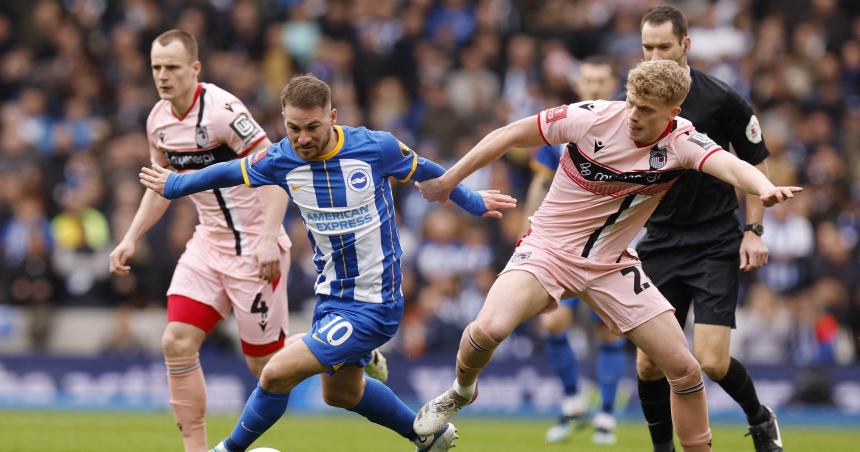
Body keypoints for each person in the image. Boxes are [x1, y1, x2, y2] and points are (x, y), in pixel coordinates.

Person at [411, 59, 801, 452]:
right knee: (488, 330)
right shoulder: (592, 116)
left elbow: (732, 165)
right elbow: (511, 133)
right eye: (631, 102)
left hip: (612, 264)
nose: (633, 114)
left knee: (684, 369)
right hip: (549, 250)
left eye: (646, 110)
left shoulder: (683, 141)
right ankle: (460, 392)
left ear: (673, 113)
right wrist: (449, 180)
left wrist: (764, 187)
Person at [138, 74, 517, 452]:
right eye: (293, 128)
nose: (302, 138)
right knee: (341, 393)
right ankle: (427, 437)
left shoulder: (374, 148)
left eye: (312, 127)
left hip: (375, 304)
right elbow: (227, 172)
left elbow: (427, 170)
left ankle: (226, 450)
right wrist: (176, 185)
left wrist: (472, 201)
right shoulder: (281, 158)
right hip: (331, 297)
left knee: (275, 374)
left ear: (332, 116)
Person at [108, 29, 291, 452]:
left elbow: (276, 170)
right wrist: (131, 237)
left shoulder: (224, 111)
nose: (163, 76)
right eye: (156, 67)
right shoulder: (157, 120)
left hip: (253, 248)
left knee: (265, 365)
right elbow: (161, 186)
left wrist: (268, 238)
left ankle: (341, 350)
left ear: (195, 69)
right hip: (207, 245)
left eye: (172, 67)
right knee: (176, 341)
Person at [636, 6, 782, 452]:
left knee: (712, 361)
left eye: (664, 46)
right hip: (660, 242)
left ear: (686, 45)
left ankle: (759, 417)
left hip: (715, 241)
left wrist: (753, 229)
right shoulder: (634, 100)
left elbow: (755, 163)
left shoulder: (721, 99)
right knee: (647, 366)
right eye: (647, 47)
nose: (655, 56)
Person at [524, 55, 628, 446]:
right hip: (563, 245)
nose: (595, 87)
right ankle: (572, 402)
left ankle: (605, 414)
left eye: (602, 80)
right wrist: (526, 227)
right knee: (551, 322)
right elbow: (540, 182)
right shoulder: (562, 124)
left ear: (613, 83)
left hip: (611, 244)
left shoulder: (628, 126)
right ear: (579, 86)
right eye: (589, 80)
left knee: (609, 329)